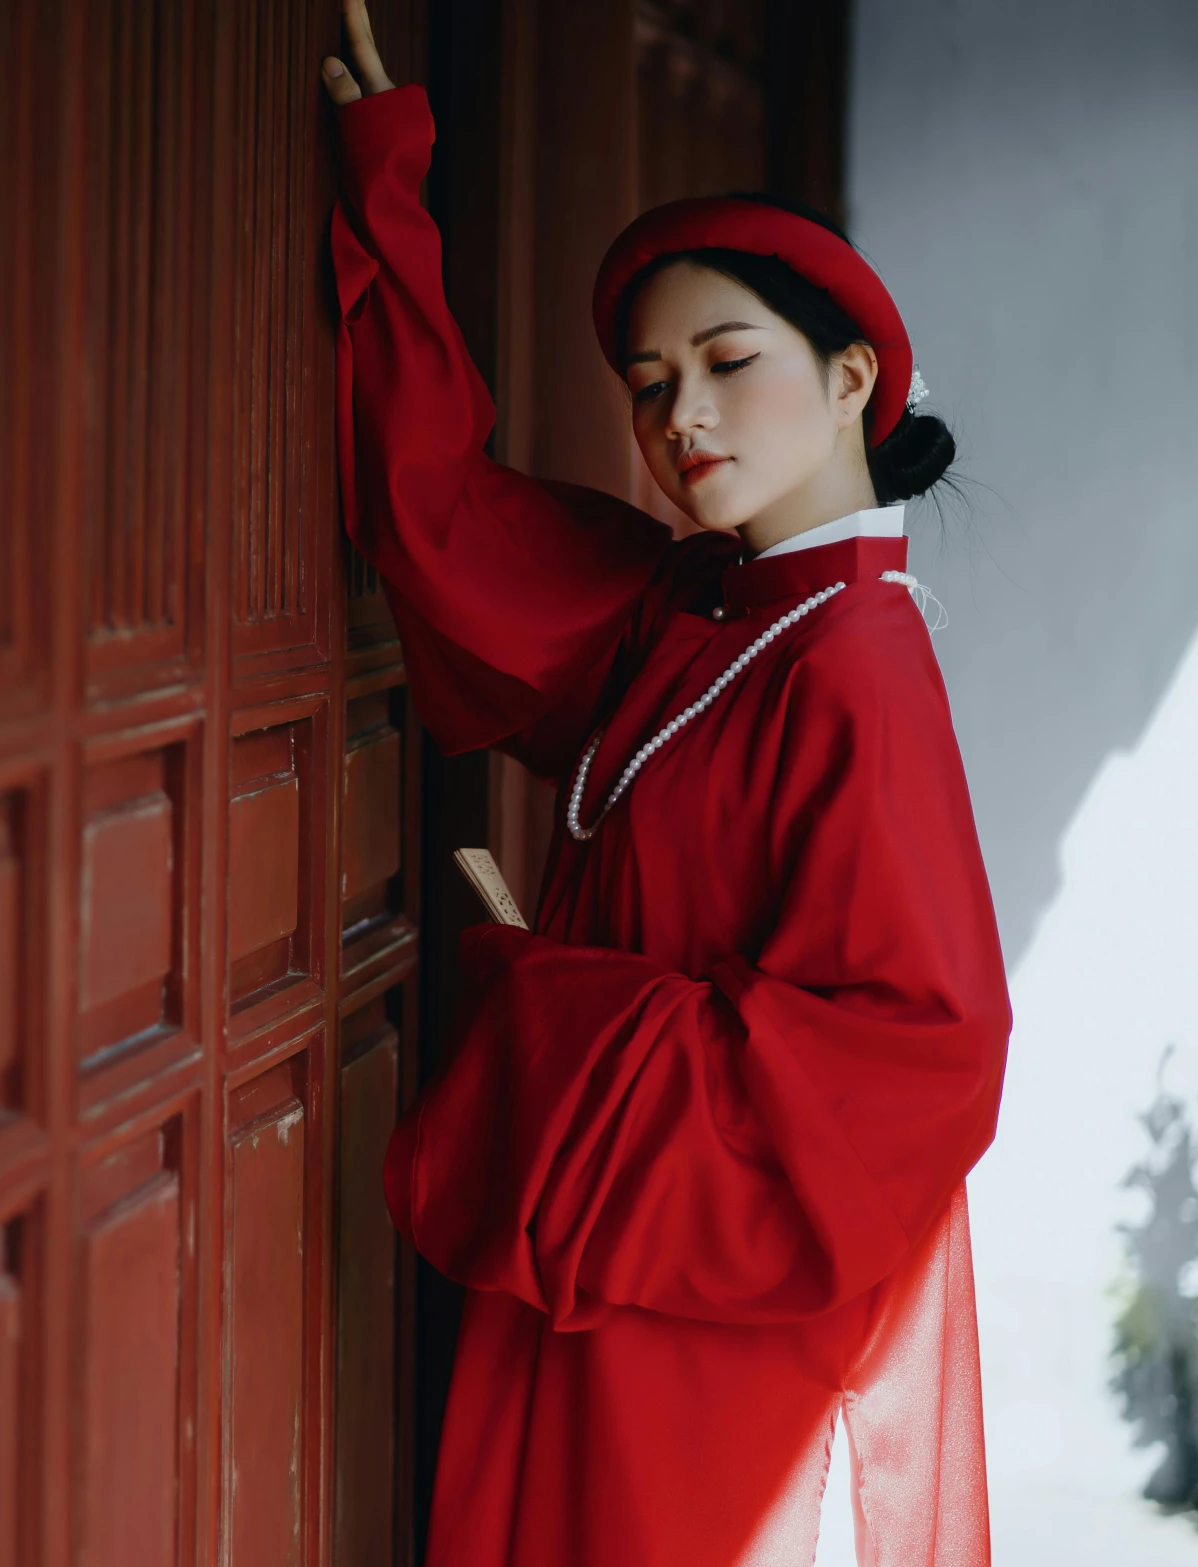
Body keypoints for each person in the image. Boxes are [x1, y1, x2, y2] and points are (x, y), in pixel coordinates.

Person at [320, 7, 1010, 1565]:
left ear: (849, 379)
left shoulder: (855, 669)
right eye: (646, 381)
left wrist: (557, 1013)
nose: (677, 417)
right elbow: (444, 524)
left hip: (697, 1289)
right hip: (601, 1246)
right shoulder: (686, 608)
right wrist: (385, 199)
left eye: (724, 362)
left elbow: (922, 1056)